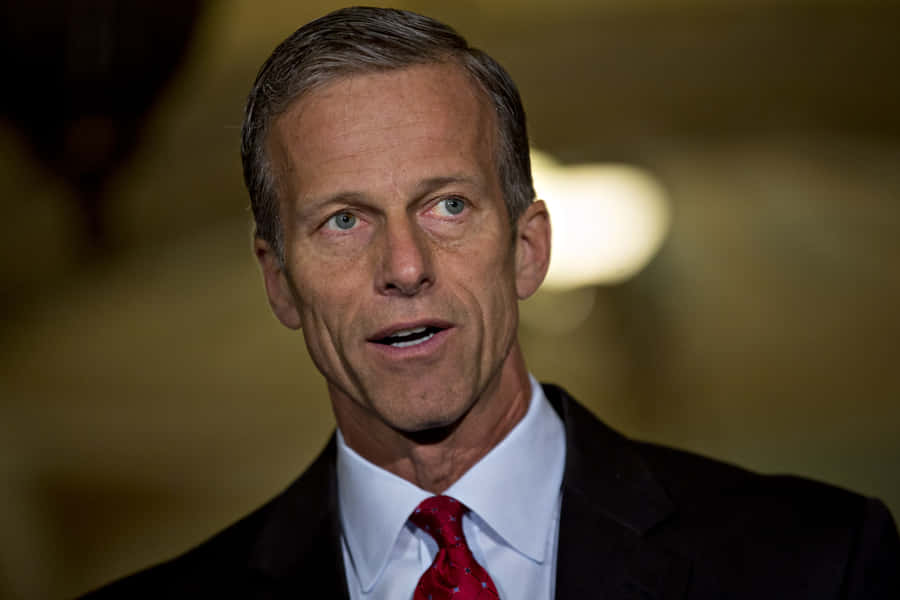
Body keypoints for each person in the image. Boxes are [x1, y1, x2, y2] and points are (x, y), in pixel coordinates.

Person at [82, 6, 899, 599]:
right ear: (278, 281)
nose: (404, 266)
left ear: (528, 248)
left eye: (448, 206)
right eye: (342, 220)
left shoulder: (818, 563)